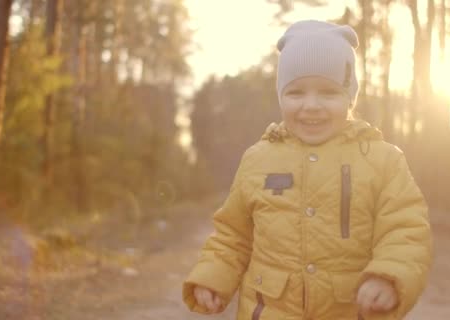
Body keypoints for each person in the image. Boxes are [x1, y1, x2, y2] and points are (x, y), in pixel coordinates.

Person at [182, 19, 433, 320]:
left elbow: (405, 231)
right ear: (280, 96)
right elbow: (233, 236)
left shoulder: (383, 161)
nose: (311, 105)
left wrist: (389, 277)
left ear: (349, 97)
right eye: (296, 92)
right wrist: (213, 278)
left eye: (328, 93)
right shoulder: (258, 159)